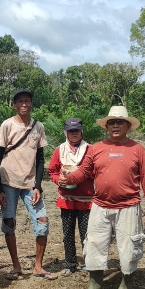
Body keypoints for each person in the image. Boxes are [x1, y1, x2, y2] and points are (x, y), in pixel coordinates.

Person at [59, 106, 145, 289]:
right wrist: (69, 179)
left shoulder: (137, 149)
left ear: (128, 126)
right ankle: (95, 283)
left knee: (129, 246)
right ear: (106, 126)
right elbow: (85, 171)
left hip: (129, 206)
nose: (115, 125)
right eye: (111, 122)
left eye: (119, 121)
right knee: (94, 244)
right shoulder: (96, 148)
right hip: (100, 205)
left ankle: (126, 284)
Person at [0, 89, 56, 280]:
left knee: (42, 221)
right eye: (20, 101)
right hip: (8, 181)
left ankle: (38, 266)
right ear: (14, 104)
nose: (24, 104)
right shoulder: (7, 125)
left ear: (31, 103)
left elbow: (40, 159)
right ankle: (16, 266)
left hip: (30, 184)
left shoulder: (38, 127)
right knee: (9, 222)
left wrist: (38, 186)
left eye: (27, 101)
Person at [47, 118, 94, 277]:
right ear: (65, 132)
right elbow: (52, 171)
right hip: (66, 198)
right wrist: (57, 180)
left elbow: (97, 171)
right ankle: (70, 263)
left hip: (86, 199)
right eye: (70, 131)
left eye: (76, 130)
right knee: (67, 232)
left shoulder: (90, 150)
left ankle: (89, 261)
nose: (74, 134)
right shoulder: (59, 150)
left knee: (86, 233)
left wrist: (81, 174)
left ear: (81, 131)